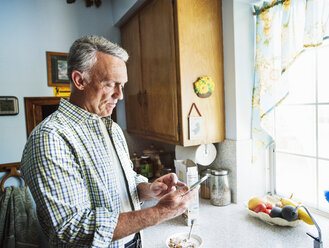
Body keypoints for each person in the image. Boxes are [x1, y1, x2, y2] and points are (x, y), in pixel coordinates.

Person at [20, 35, 198, 248]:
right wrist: (159, 212)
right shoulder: (50, 137)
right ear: (79, 81)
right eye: (110, 84)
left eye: (122, 85)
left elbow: (125, 181)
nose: (120, 95)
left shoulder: (111, 128)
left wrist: (150, 189)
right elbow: (70, 229)